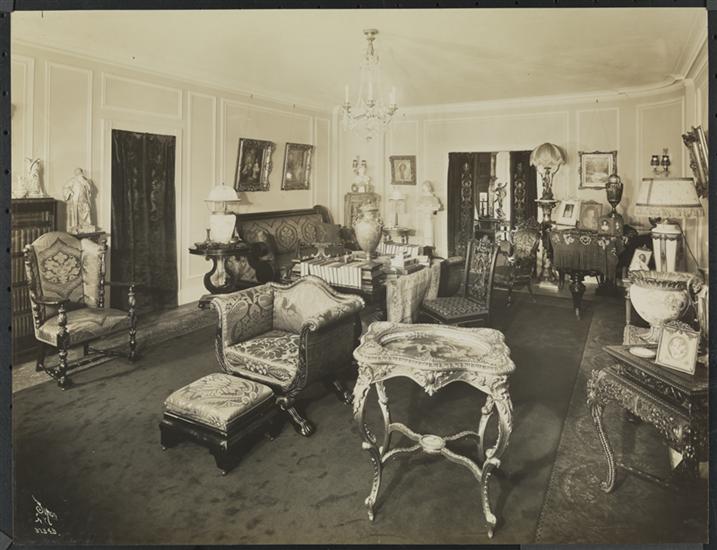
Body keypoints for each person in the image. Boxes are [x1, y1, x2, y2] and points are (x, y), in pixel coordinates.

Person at [63, 168, 96, 234]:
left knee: (86, 210)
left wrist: (86, 183)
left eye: (81, 172)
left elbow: (89, 189)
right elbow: (65, 187)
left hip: (84, 199)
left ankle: (86, 225)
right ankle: (77, 226)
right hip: (76, 199)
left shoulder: (85, 181)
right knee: (77, 213)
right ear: (76, 174)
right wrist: (70, 192)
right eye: (79, 173)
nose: (80, 174)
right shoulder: (73, 180)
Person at [416, 180, 443, 247]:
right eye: (424, 187)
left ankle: (430, 247)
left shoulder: (434, 198)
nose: (425, 189)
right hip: (424, 219)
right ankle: (426, 247)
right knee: (425, 235)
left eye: (426, 187)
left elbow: (437, 207)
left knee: (430, 234)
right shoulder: (421, 198)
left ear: (429, 187)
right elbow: (418, 207)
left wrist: (431, 208)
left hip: (430, 218)